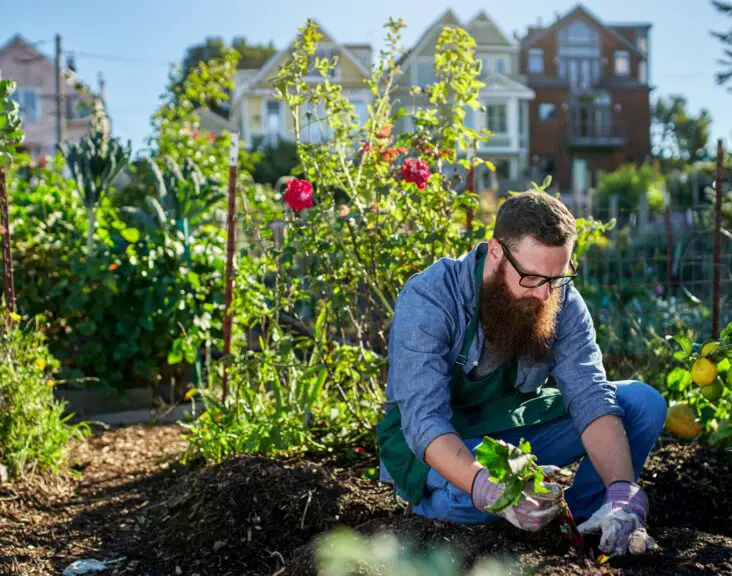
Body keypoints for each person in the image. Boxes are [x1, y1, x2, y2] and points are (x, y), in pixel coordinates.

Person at [376, 191, 666, 556]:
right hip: (439, 441)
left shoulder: (559, 298)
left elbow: (590, 394)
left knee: (642, 403)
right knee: (476, 500)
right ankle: (431, 511)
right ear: (496, 252)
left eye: (556, 278)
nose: (545, 295)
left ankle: (585, 519)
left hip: (512, 428)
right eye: (531, 278)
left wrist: (622, 490)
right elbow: (423, 420)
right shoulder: (432, 298)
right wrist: (485, 486)